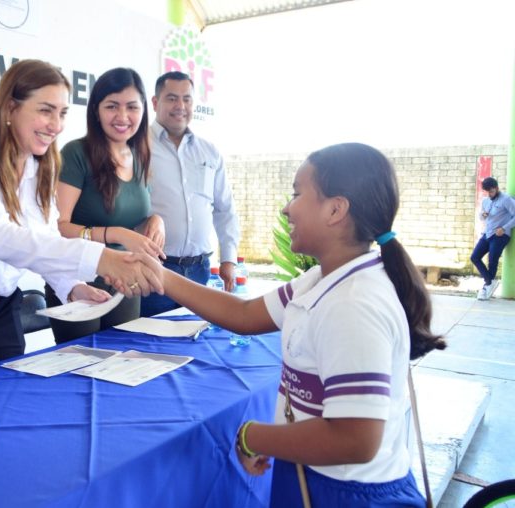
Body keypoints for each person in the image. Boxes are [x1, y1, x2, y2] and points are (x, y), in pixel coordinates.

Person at [134, 143, 447, 507]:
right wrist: (162, 276)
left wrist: (253, 436)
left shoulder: (354, 303)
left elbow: (355, 438)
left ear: (335, 209)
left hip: (344, 493)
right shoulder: (323, 279)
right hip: (312, 474)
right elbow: (245, 315)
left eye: (298, 193)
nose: (287, 207)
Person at [0, 60, 162, 366]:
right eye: (46, 110)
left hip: (1, 312)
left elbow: (42, 236)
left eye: (62, 113)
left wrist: (72, 287)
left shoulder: (39, 164)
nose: (56, 125)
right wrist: (100, 257)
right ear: (9, 108)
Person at [45, 67, 165, 343]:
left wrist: (155, 220)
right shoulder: (76, 153)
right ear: (96, 110)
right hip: (77, 280)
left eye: (132, 107)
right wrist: (117, 234)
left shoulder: (139, 155)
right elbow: (59, 227)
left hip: (124, 280)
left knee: (125, 361)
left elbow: (132, 218)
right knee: (81, 369)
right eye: (112, 106)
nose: (122, 117)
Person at [140, 71, 240, 317]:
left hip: (200, 271)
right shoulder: (137, 148)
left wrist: (228, 259)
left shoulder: (209, 152)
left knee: (196, 345)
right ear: (155, 103)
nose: (180, 106)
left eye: (187, 99)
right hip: (155, 269)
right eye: (172, 98)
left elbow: (224, 209)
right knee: (151, 348)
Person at [470, 176, 515, 301]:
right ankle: (490, 282)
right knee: (474, 257)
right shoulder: (486, 200)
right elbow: (481, 217)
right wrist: (482, 215)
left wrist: (505, 228)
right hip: (487, 233)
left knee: (492, 259)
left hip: (500, 235)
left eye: (491, 191)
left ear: (497, 188)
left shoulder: (506, 199)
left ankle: (487, 287)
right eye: (487, 192)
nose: (489, 194)